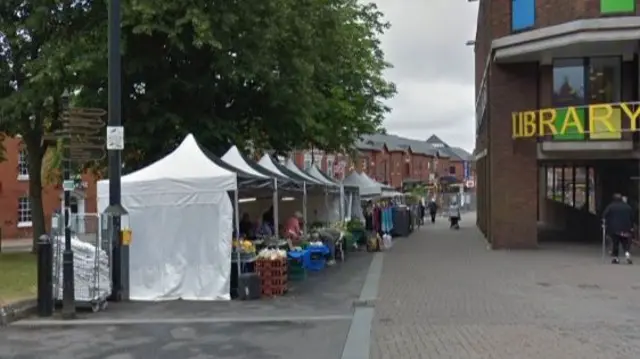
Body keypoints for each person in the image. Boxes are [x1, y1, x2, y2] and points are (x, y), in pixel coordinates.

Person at [603, 193, 635, 264]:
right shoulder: (627, 207)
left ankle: (616, 258)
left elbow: (605, 215)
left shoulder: (611, 206)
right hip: (626, 228)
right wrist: (631, 226)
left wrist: (605, 223)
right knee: (625, 242)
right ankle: (627, 255)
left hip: (614, 228)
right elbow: (632, 217)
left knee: (615, 243)